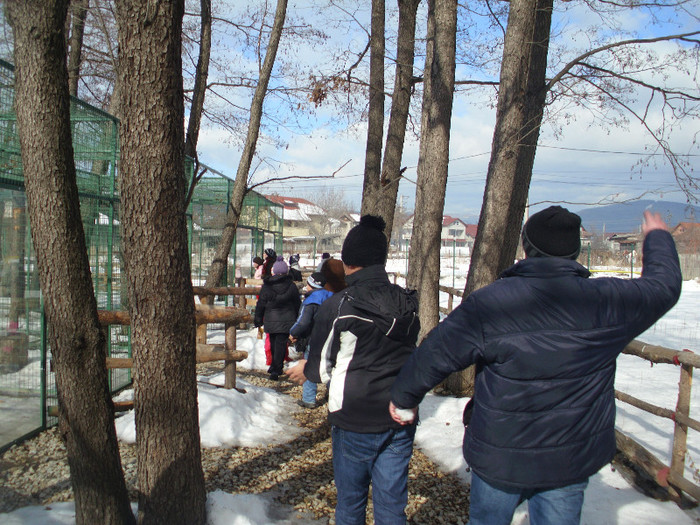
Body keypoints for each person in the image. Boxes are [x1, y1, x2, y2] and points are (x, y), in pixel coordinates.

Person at [389, 207, 682, 525]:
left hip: (500, 456)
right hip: (568, 460)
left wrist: (404, 399)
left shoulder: (492, 303)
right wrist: (658, 239)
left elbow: (435, 353)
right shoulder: (605, 302)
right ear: (575, 251)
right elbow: (663, 287)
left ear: (527, 248)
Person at [288, 215, 420, 525]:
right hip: (400, 414)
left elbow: (320, 370)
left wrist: (307, 368)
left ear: (347, 263)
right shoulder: (407, 301)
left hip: (353, 417)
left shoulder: (339, 305)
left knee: (350, 504)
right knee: (391, 506)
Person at [289, 272, 333, 408]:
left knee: (309, 365)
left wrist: (292, 332)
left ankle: (309, 399)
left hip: (313, 338)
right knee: (330, 367)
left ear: (311, 285)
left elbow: (303, 322)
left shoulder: (310, 301)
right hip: (330, 338)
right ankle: (334, 394)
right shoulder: (332, 298)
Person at [254, 255, 301, 380]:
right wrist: (298, 319)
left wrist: (258, 318)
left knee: (274, 342)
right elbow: (297, 304)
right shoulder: (291, 286)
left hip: (270, 318)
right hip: (287, 319)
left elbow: (261, 304)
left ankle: (275, 367)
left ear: (273, 271)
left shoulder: (267, 286)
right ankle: (276, 367)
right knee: (280, 343)